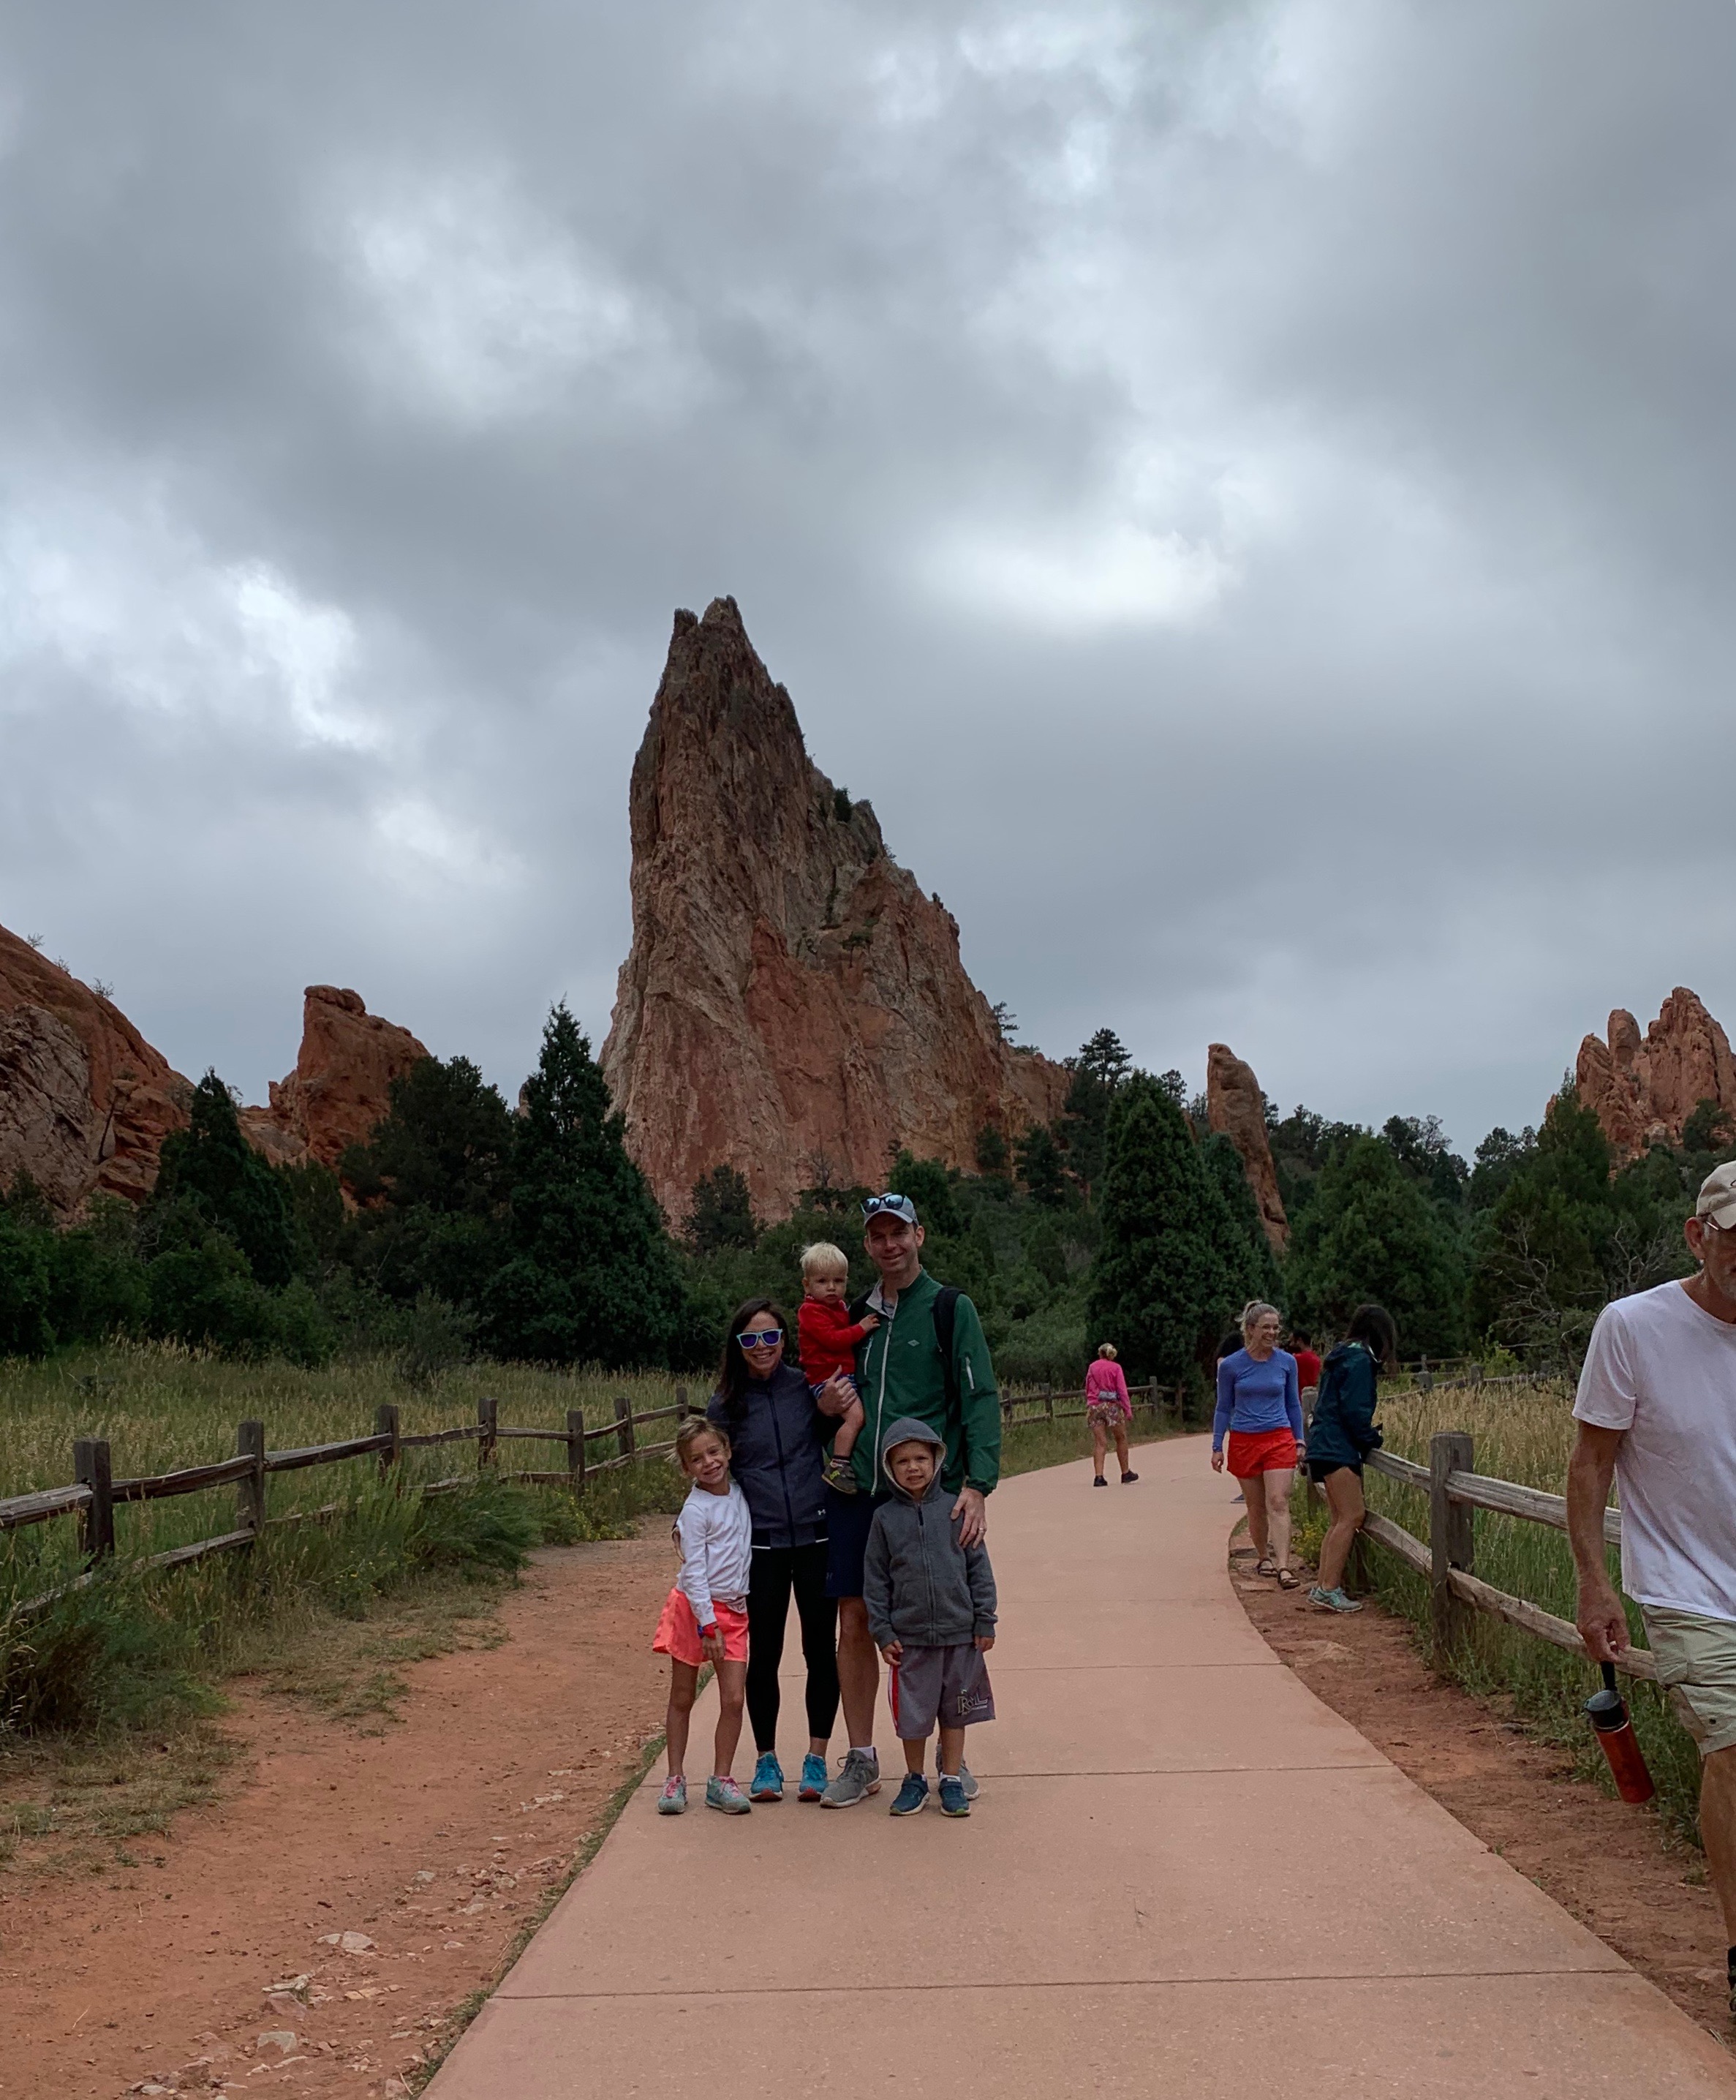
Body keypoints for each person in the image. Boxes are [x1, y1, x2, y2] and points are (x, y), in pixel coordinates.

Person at [1570, 1161, 1736, 2016]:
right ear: (1697, 1234)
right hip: (1689, 1587)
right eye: (1734, 1234)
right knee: (1734, 1751)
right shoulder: (1634, 1327)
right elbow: (1591, 1461)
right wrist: (1593, 1583)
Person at [815, 1191, 1000, 1809]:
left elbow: (978, 1397)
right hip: (858, 1489)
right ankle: (863, 1755)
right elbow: (825, 1383)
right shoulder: (853, 1315)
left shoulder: (951, 1308)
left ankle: (950, 1763)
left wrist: (977, 1483)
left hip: (928, 1492)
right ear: (867, 1244)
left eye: (900, 1232)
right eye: (877, 1235)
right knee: (856, 1619)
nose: (889, 1244)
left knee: (943, 1623)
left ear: (920, 1235)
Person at [707, 1298, 840, 1804]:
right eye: (749, 1339)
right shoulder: (725, 1403)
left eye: (771, 1336)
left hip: (815, 1533)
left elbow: (836, 1431)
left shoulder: (804, 1387)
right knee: (763, 1654)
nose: (762, 1347)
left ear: (785, 1338)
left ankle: (817, 1757)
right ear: (736, 1346)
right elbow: (712, 1468)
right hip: (758, 1543)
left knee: (819, 1650)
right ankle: (765, 1761)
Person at [864, 1418, 997, 1818]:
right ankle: (915, 1778)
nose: (913, 1467)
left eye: (921, 1457)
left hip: (960, 1634)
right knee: (914, 1715)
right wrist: (883, 1629)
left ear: (937, 1459)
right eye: (902, 1460)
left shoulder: (956, 1509)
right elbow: (876, 1580)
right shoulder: (884, 1519)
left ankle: (952, 1779)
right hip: (911, 1639)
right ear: (890, 1468)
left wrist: (984, 1619)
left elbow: (979, 1567)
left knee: (955, 1712)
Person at [654, 1417, 752, 1816]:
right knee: (683, 1695)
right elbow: (694, 1571)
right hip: (695, 1611)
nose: (709, 1462)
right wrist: (707, 1624)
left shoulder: (740, 1493)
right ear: (686, 1468)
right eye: (697, 1459)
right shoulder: (695, 1510)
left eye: (714, 1452)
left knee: (733, 1698)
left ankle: (721, 1779)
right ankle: (675, 1777)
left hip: (735, 1611)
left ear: (727, 1452)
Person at [1302, 1303, 1396, 1614]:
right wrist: (1371, 1438)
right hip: (1337, 1446)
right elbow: (1354, 1411)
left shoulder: (1342, 1355)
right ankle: (1329, 1588)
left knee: (1338, 1518)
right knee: (1352, 1516)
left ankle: (1323, 1585)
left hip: (1324, 1443)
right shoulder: (1359, 1362)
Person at [1212, 1300, 1303, 1589]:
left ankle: (1283, 1566)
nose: (1272, 1332)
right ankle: (1263, 1556)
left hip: (1279, 1437)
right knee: (1255, 1505)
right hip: (1244, 1439)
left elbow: (1293, 1403)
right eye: (1266, 1327)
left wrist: (1299, 1438)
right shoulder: (1231, 1366)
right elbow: (1223, 1408)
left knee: (1278, 1500)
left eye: (1276, 1327)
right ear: (1250, 1329)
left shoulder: (1287, 1362)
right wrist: (1217, 1446)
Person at [796, 1241, 879, 1494]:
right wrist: (861, 1328)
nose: (832, 1288)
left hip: (841, 1374)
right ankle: (838, 1465)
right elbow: (833, 1340)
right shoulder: (810, 1312)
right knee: (856, 1417)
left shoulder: (838, 1307)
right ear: (807, 1284)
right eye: (822, 1281)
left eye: (838, 1281)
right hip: (827, 1378)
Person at [1084, 1342, 1137, 1487]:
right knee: (1121, 1438)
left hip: (1095, 1406)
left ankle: (1099, 1476)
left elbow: (1088, 1387)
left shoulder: (1092, 1367)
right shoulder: (1116, 1368)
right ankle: (1125, 1472)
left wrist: (1090, 1402)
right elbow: (1122, 1390)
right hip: (1112, 1406)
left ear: (1100, 1353)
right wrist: (1128, 1410)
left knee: (1100, 1442)